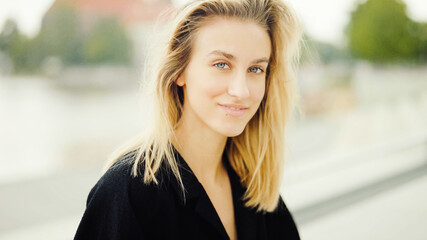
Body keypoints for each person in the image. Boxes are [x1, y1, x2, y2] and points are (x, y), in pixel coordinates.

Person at [74, 0, 303, 239]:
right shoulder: (129, 192)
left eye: (255, 69)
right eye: (221, 64)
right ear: (180, 71)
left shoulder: (257, 193)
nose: (241, 91)